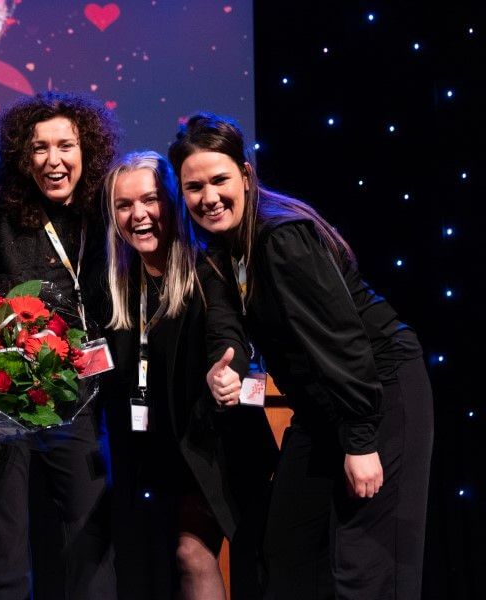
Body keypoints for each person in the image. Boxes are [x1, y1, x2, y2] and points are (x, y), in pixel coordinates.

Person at [168, 113, 434, 600]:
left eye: (220, 180)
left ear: (246, 174)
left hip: (377, 386)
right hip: (319, 404)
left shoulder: (280, 237)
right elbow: (226, 325)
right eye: (194, 186)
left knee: (366, 559)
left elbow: (342, 341)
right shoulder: (218, 250)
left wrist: (360, 440)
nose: (208, 197)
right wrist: (226, 368)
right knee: (287, 547)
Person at [101, 151, 276, 599]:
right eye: (124, 205)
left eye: (150, 200)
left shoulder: (207, 269)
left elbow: (227, 339)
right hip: (170, 454)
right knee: (184, 558)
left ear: (173, 204)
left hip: (221, 445)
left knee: (208, 557)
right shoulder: (120, 286)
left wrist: (228, 374)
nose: (138, 215)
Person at [0, 91, 118, 599]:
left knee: (90, 536)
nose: (53, 160)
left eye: (66, 146)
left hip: (80, 398)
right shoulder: (0, 216)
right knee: (4, 541)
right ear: (22, 156)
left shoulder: (108, 215)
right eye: (39, 148)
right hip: (8, 395)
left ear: (88, 152)